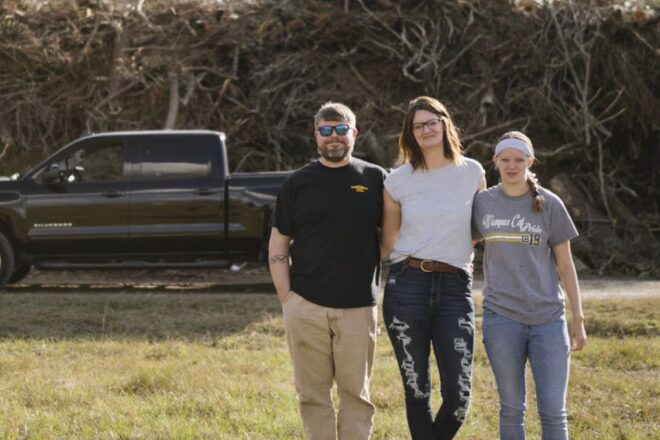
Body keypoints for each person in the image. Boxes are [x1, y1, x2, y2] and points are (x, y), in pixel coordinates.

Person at [268, 102, 386, 440]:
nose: (333, 137)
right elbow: (278, 243)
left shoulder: (375, 178)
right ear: (316, 135)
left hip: (358, 308)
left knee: (356, 396)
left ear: (354, 133)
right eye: (326, 130)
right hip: (306, 306)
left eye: (340, 129)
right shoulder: (296, 183)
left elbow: (389, 238)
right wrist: (287, 298)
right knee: (313, 396)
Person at [381, 96, 486, 440]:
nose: (426, 130)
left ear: (444, 123)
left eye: (431, 122)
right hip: (407, 285)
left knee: (458, 396)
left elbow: (477, 230)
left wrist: (449, 251)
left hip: (455, 287)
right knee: (417, 390)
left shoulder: (472, 172)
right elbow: (391, 238)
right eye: (417, 126)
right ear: (409, 134)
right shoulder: (398, 179)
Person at [472, 131, 587, 440]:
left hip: (548, 320)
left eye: (519, 160)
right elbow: (462, 245)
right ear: (495, 161)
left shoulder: (549, 204)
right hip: (501, 319)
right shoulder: (482, 203)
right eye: (505, 160)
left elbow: (566, 266)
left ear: (530, 161)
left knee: (553, 412)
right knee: (511, 409)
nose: (512, 166)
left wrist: (578, 319)